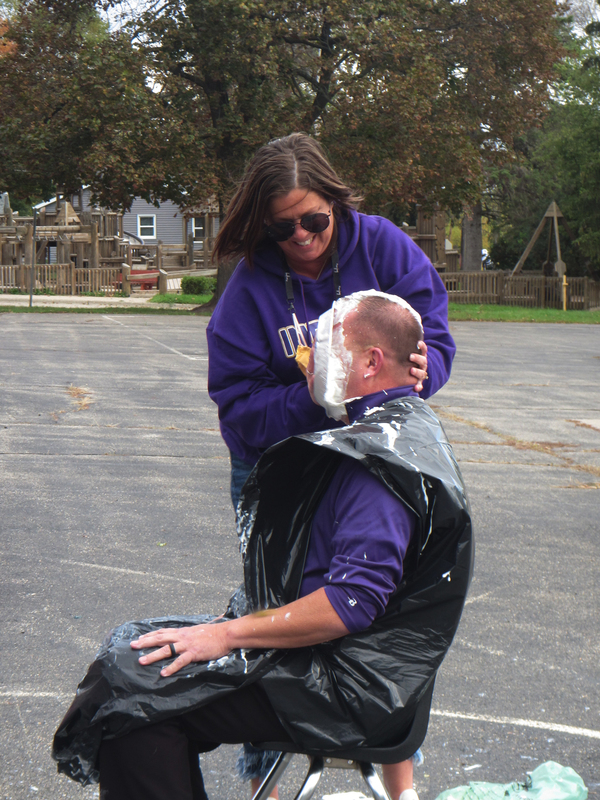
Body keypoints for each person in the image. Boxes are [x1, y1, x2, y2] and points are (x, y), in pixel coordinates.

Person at [52, 292, 473, 800]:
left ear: (370, 363)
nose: (306, 359)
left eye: (322, 345)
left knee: (131, 702)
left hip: (345, 685)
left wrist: (227, 635)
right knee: (131, 659)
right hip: (342, 661)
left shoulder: (379, 465)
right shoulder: (392, 427)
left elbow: (352, 602)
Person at [207, 132, 456, 509]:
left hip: (377, 448)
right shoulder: (248, 288)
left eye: (313, 219)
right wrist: (319, 396)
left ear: (333, 202)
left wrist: (424, 370)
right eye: (282, 227)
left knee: (373, 548)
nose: (301, 235)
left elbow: (433, 338)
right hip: (279, 461)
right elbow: (239, 404)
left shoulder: (382, 246)